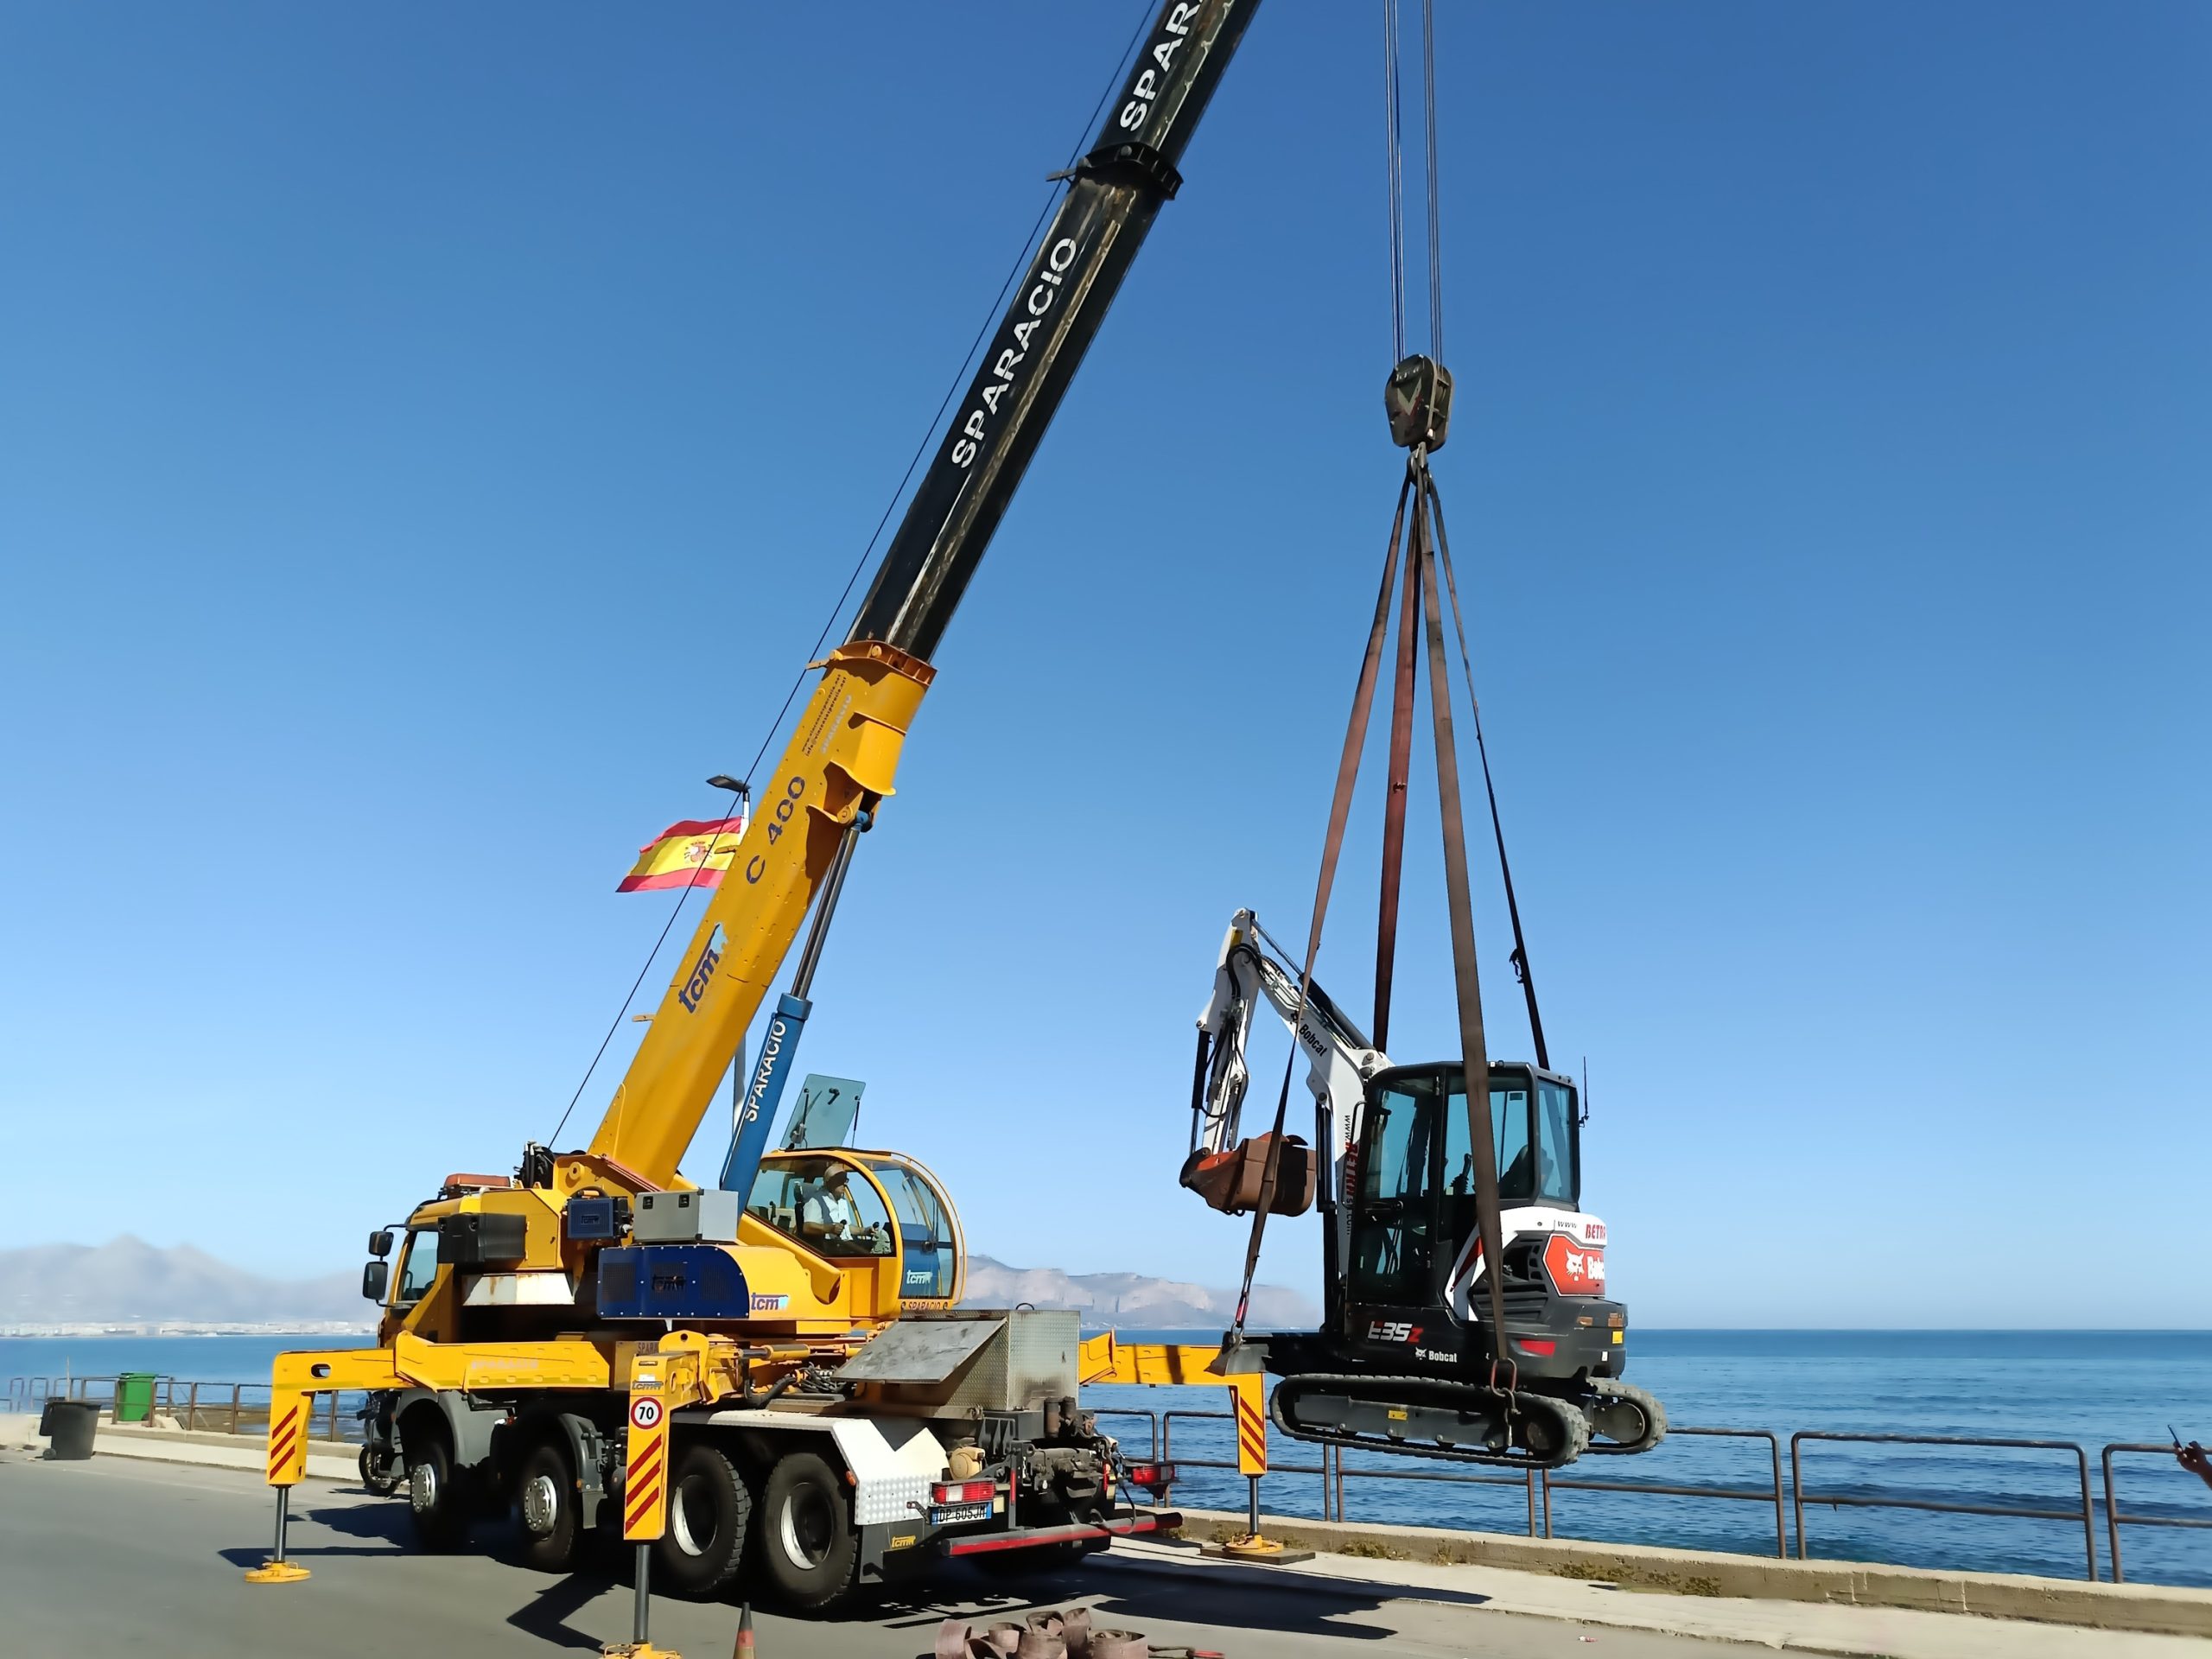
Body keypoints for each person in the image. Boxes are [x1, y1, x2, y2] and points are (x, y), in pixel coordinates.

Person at [798, 1167, 856, 1242]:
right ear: (829, 1181)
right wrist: (830, 1229)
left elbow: (847, 1227)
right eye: (841, 1180)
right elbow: (807, 1227)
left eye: (846, 1180)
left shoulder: (843, 1201)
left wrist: (865, 1231)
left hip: (847, 1243)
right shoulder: (817, 1200)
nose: (845, 1184)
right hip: (830, 1246)